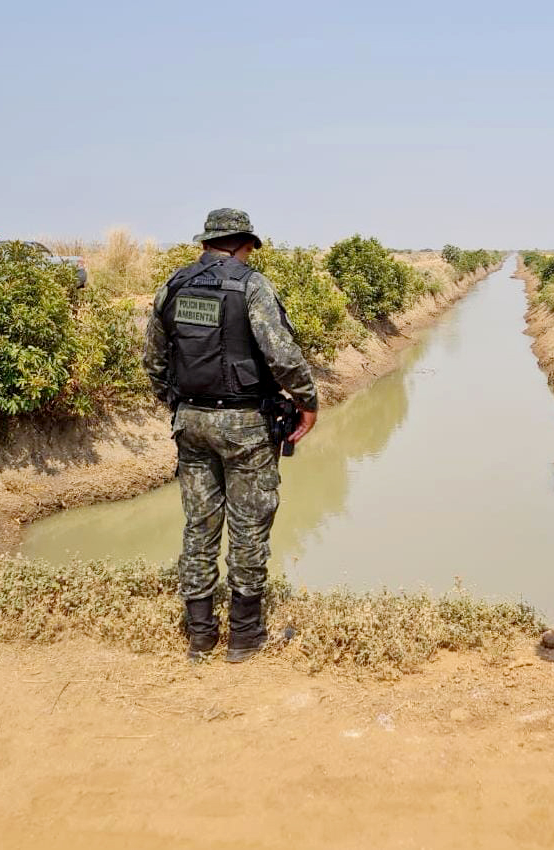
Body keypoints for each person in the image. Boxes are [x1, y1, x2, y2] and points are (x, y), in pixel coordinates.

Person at [143, 208, 318, 663]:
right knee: (248, 528)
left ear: (205, 244)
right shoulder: (251, 285)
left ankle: (200, 636)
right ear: (244, 245)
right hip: (244, 426)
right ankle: (244, 637)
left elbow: (153, 360)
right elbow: (282, 355)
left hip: (190, 421)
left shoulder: (174, 286)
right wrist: (308, 401)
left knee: (199, 526)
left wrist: (177, 404)